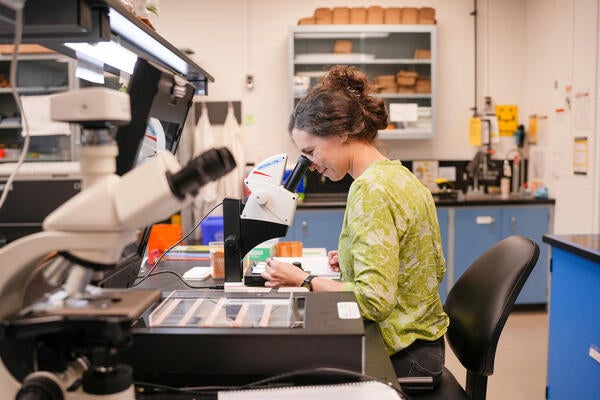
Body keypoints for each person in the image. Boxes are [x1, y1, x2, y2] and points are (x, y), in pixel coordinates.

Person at [261, 65, 449, 389]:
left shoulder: (369, 190)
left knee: (284, 370)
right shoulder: (398, 175)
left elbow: (373, 301)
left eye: (310, 151)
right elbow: (420, 264)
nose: (311, 165)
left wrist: (304, 279)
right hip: (425, 343)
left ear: (341, 134)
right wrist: (352, 258)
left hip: (401, 353)